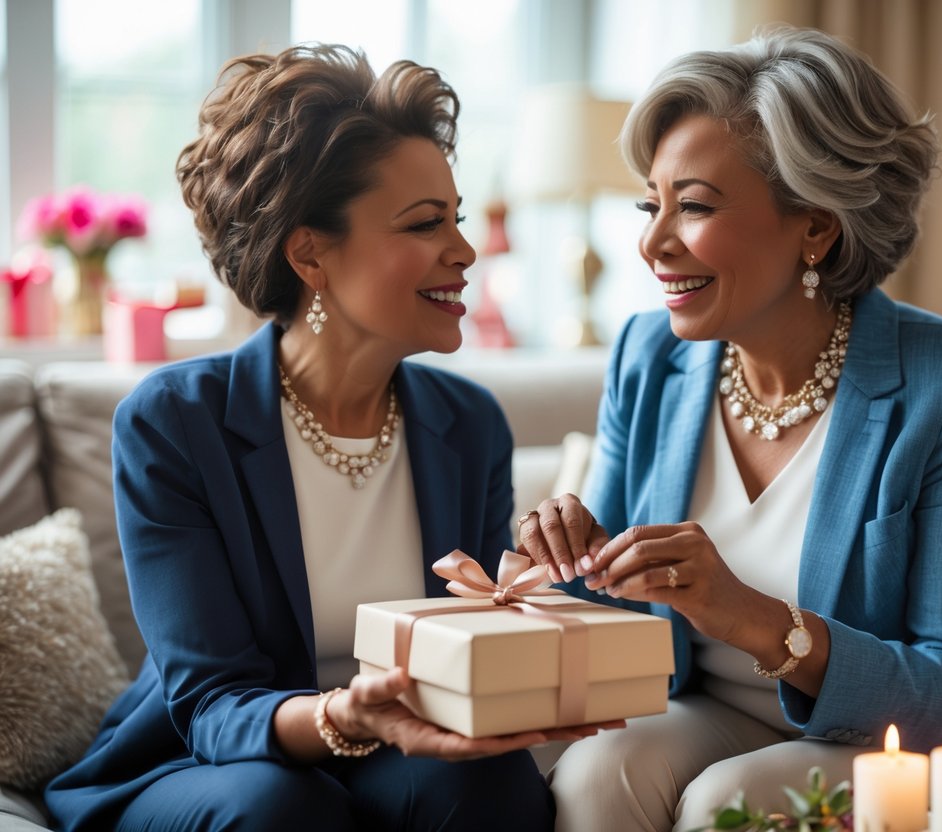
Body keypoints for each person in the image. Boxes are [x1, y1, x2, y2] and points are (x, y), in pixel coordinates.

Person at [44, 45, 604, 832]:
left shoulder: (467, 423)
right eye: (424, 223)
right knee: (279, 806)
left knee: (490, 785)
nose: (464, 250)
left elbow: (476, 645)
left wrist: (564, 575)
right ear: (309, 252)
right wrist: (345, 716)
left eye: (457, 218)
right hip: (210, 764)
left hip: (393, 751)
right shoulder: (174, 423)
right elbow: (210, 704)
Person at [515, 26, 942, 832]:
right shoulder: (647, 355)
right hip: (699, 706)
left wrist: (758, 621)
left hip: (874, 738)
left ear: (816, 226)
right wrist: (567, 549)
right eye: (651, 205)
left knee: (729, 804)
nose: (652, 244)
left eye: (692, 207)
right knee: (599, 771)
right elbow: (604, 613)